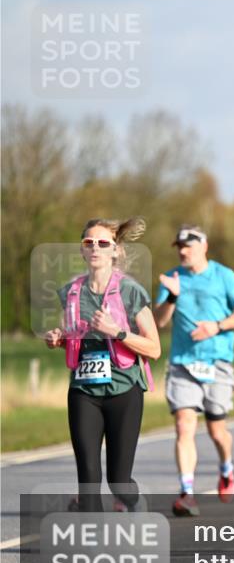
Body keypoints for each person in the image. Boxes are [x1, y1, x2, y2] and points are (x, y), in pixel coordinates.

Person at [45, 218, 161, 512]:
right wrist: (58, 338)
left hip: (124, 390)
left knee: (118, 480)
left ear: (115, 251)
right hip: (84, 391)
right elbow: (70, 334)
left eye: (103, 243)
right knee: (88, 479)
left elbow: (154, 348)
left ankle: (134, 502)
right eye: (88, 243)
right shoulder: (71, 292)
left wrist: (118, 332)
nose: (95, 247)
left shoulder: (130, 292)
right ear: (82, 251)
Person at [154, 225, 234, 517]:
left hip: (217, 362)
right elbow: (158, 322)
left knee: (217, 431)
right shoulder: (172, 278)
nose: (183, 251)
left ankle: (226, 467)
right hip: (182, 362)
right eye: (179, 247)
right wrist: (171, 298)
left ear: (204, 246)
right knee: (185, 425)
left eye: (189, 245)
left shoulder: (224, 276)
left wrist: (216, 326)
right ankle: (187, 493)